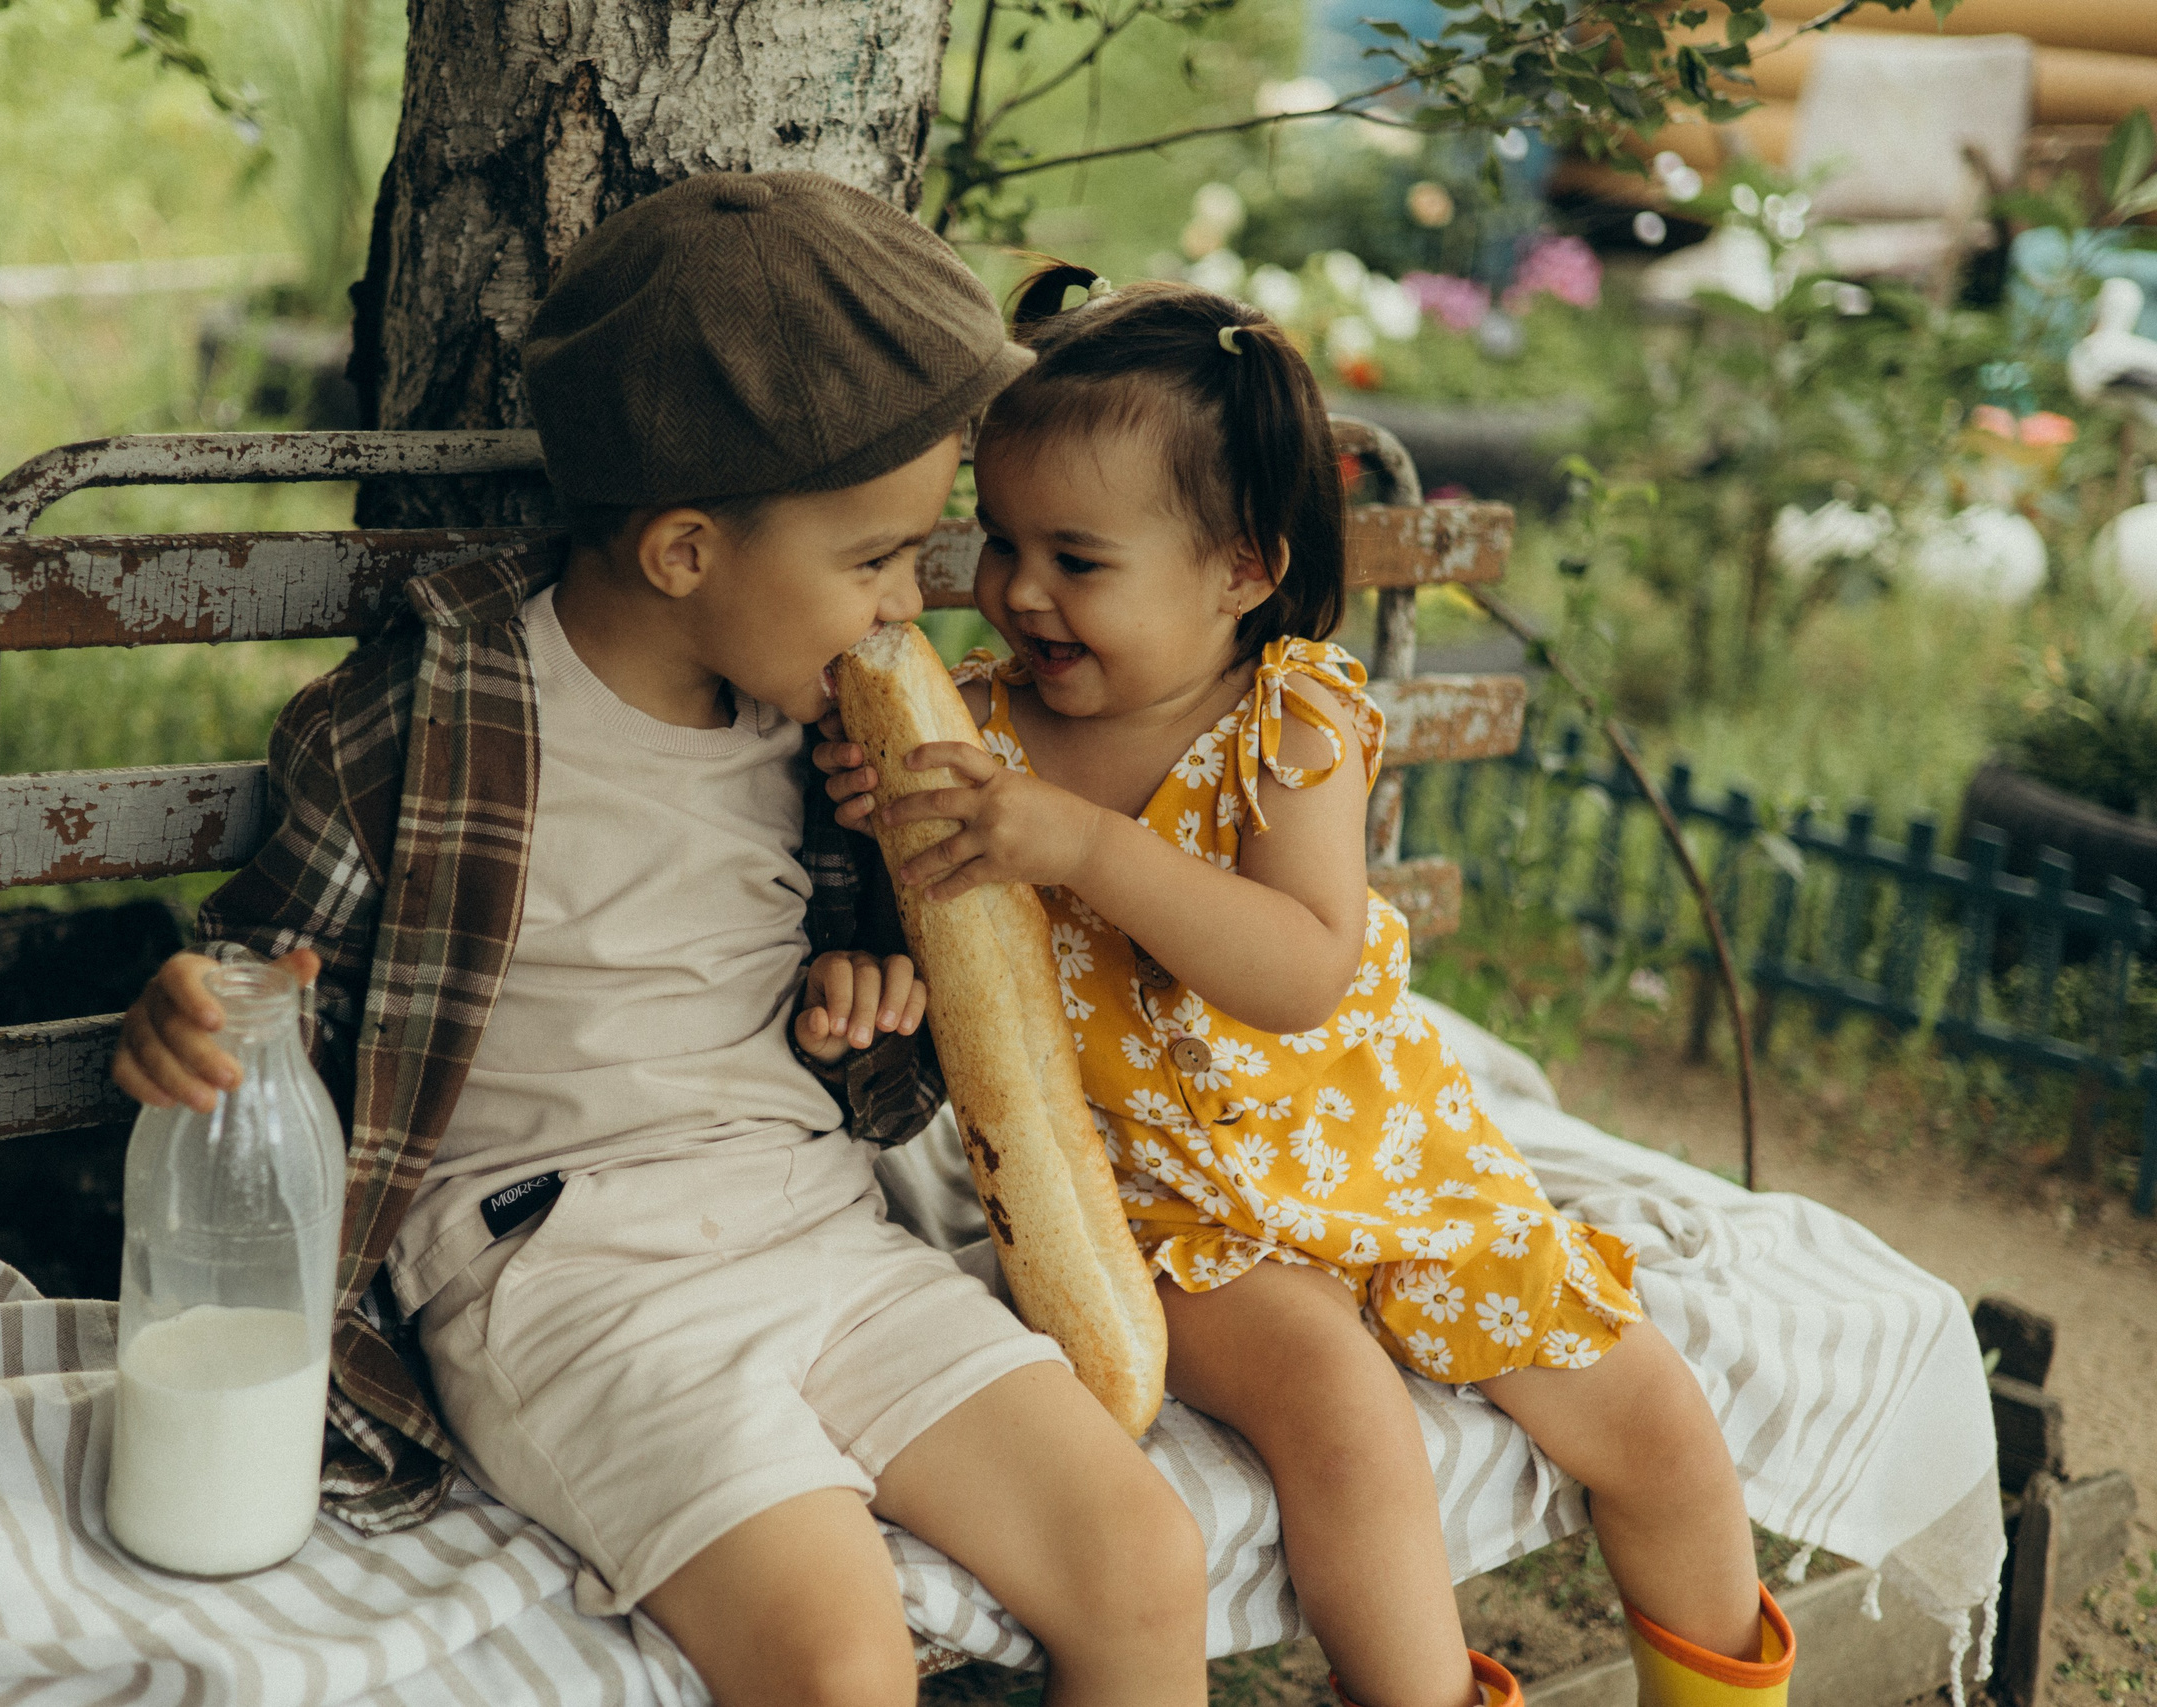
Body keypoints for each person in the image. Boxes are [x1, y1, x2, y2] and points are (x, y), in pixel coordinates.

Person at [109, 183, 1208, 1707]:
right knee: (838, 1659)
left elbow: (898, 1016)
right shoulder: (434, 718)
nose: (910, 605)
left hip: (818, 1226)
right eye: (877, 559)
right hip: (560, 1271)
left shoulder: (829, 748)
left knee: (1145, 1563)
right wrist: (196, 1013)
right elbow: (263, 975)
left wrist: (868, 997)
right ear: (687, 550)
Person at [816, 265, 1798, 1707]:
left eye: (1078, 560)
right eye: (1003, 543)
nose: (1020, 591)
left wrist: (1081, 844)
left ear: (1242, 572)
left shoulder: (1294, 719)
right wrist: (880, 839)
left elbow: (1297, 968)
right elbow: (952, 963)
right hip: (1166, 1209)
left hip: (1388, 1164)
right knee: (1343, 1413)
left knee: (1649, 1414)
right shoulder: (977, 734)